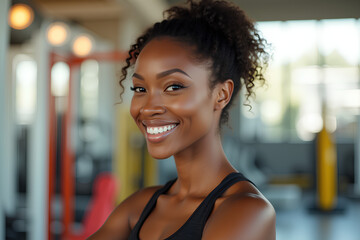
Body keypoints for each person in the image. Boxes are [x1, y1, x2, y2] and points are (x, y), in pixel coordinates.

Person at [88, 0, 275, 239]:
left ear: (221, 95)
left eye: (173, 86)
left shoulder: (246, 211)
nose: (148, 108)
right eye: (140, 89)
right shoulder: (139, 206)